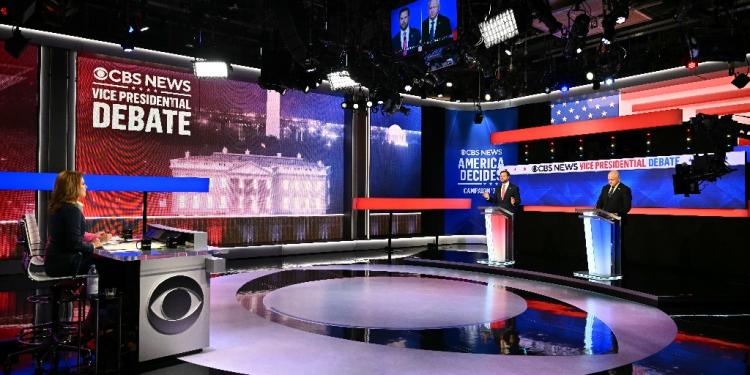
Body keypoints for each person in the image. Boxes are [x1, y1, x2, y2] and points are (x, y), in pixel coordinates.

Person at [44, 171, 102, 277]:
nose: (86, 186)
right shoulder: (71, 210)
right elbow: (74, 244)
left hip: (54, 262)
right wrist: (93, 245)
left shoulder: (61, 207)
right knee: (110, 264)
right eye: (83, 184)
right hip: (65, 264)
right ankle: (105, 293)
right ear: (73, 187)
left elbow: (71, 238)